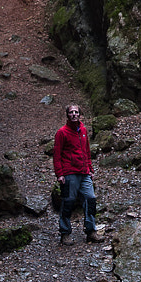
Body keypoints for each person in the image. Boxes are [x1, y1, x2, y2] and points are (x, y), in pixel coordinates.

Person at [53, 103, 102, 245]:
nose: (74, 114)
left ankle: (91, 231)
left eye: (76, 112)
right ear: (67, 115)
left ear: (80, 114)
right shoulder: (62, 132)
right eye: (71, 112)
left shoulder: (83, 130)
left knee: (90, 199)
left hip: (84, 172)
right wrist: (59, 174)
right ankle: (65, 233)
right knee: (68, 202)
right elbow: (57, 154)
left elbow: (86, 151)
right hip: (69, 173)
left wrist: (90, 169)